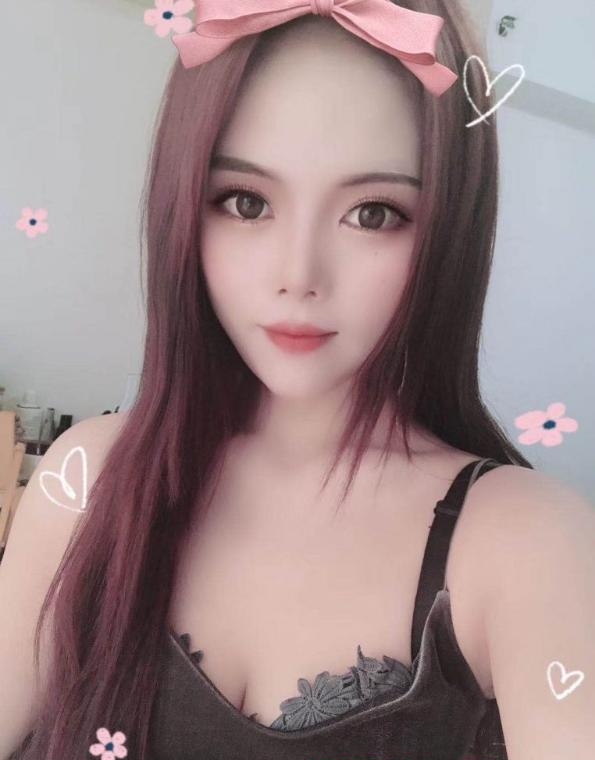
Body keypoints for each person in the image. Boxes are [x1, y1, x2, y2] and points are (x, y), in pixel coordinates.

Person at [2, 2, 594, 759]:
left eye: (373, 213)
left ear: (449, 230)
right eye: (246, 203)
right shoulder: (87, 479)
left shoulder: (527, 541)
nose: (298, 275)